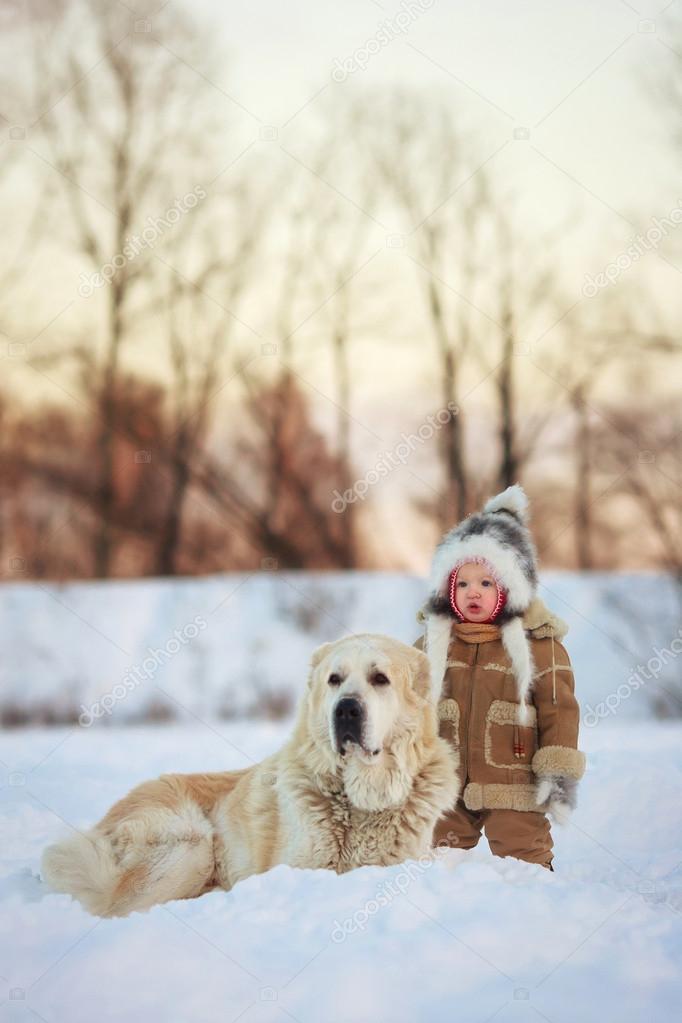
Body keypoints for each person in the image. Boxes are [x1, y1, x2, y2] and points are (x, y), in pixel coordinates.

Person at [413, 484, 587, 871]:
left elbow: (560, 713)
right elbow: (406, 704)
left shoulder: (540, 646)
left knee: (524, 859)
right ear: (447, 589)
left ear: (510, 587)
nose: (473, 592)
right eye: (462, 583)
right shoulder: (433, 645)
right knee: (433, 862)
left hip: (515, 786)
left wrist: (556, 776)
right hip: (447, 786)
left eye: (486, 583)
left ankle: (532, 916)